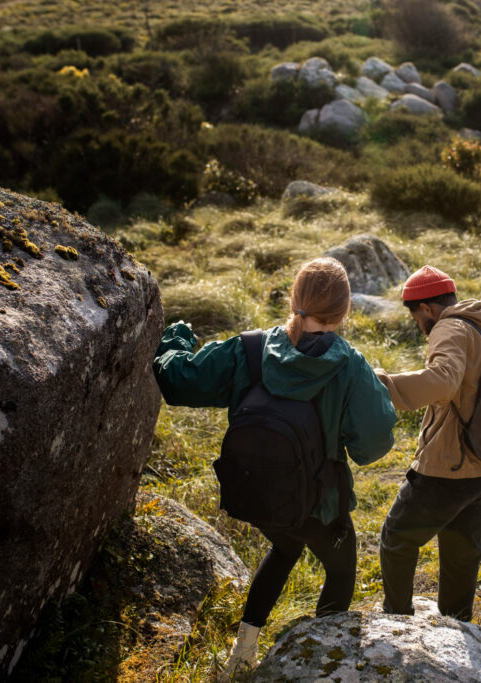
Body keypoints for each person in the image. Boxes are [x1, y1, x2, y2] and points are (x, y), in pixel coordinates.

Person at [151, 257, 397, 676]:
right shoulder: (350, 365)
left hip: (254, 492)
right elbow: (373, 447)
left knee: (284, 545)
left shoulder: (247, 348)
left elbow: (178, 381)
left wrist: (175, 338)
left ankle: (241, 652)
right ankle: (318, 666)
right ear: (345, 310)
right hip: (318, 507)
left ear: (294, 299)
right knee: (341, 569)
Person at [374, 265, 481, 622]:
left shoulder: (448, 325)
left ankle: (397, 620)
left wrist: (377, 384)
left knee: (397, 538)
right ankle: (457, 622)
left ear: (428, 308)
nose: (418, 324)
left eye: (416, 314)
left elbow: (442, 382)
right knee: (462, 550)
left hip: (448, 468)